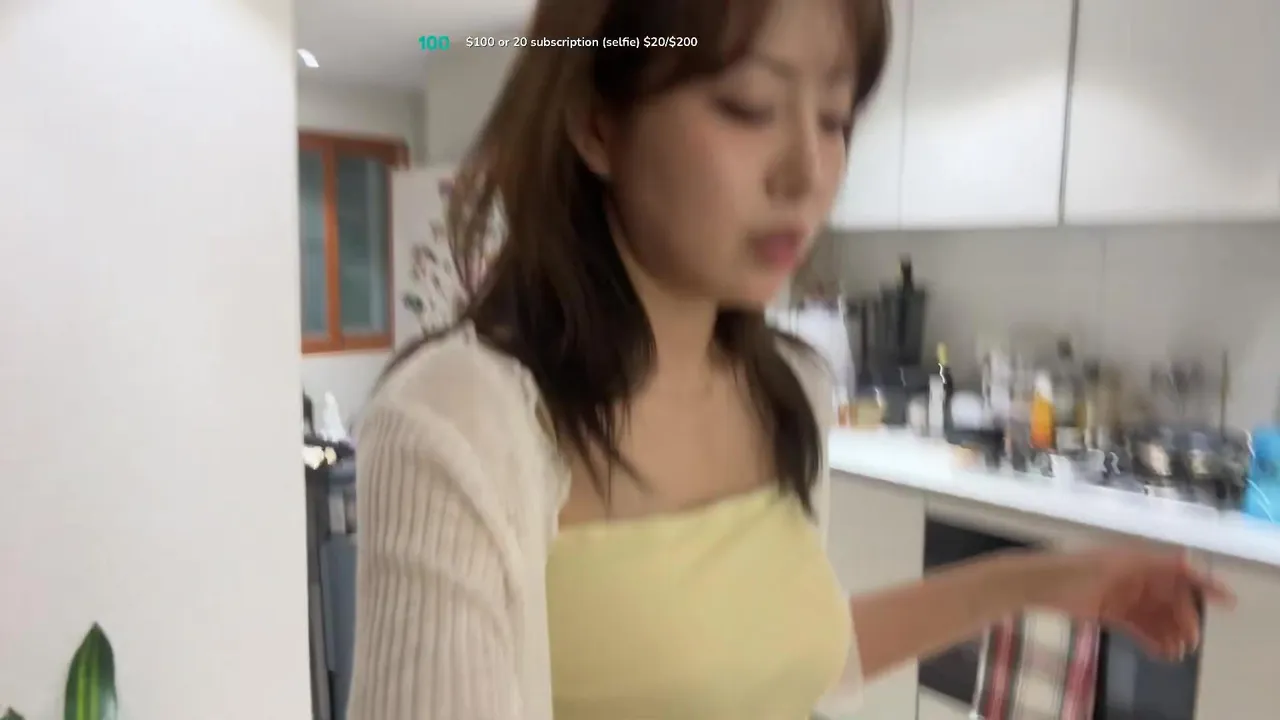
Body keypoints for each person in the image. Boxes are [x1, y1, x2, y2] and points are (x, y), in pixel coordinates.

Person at [346, 0, 1233, 717]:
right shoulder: (459, 425)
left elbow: (787, 664)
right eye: (748, 107)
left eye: (836, 119)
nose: (810, 173)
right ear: (597, 122)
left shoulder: (788, 390)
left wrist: (1046, 579)